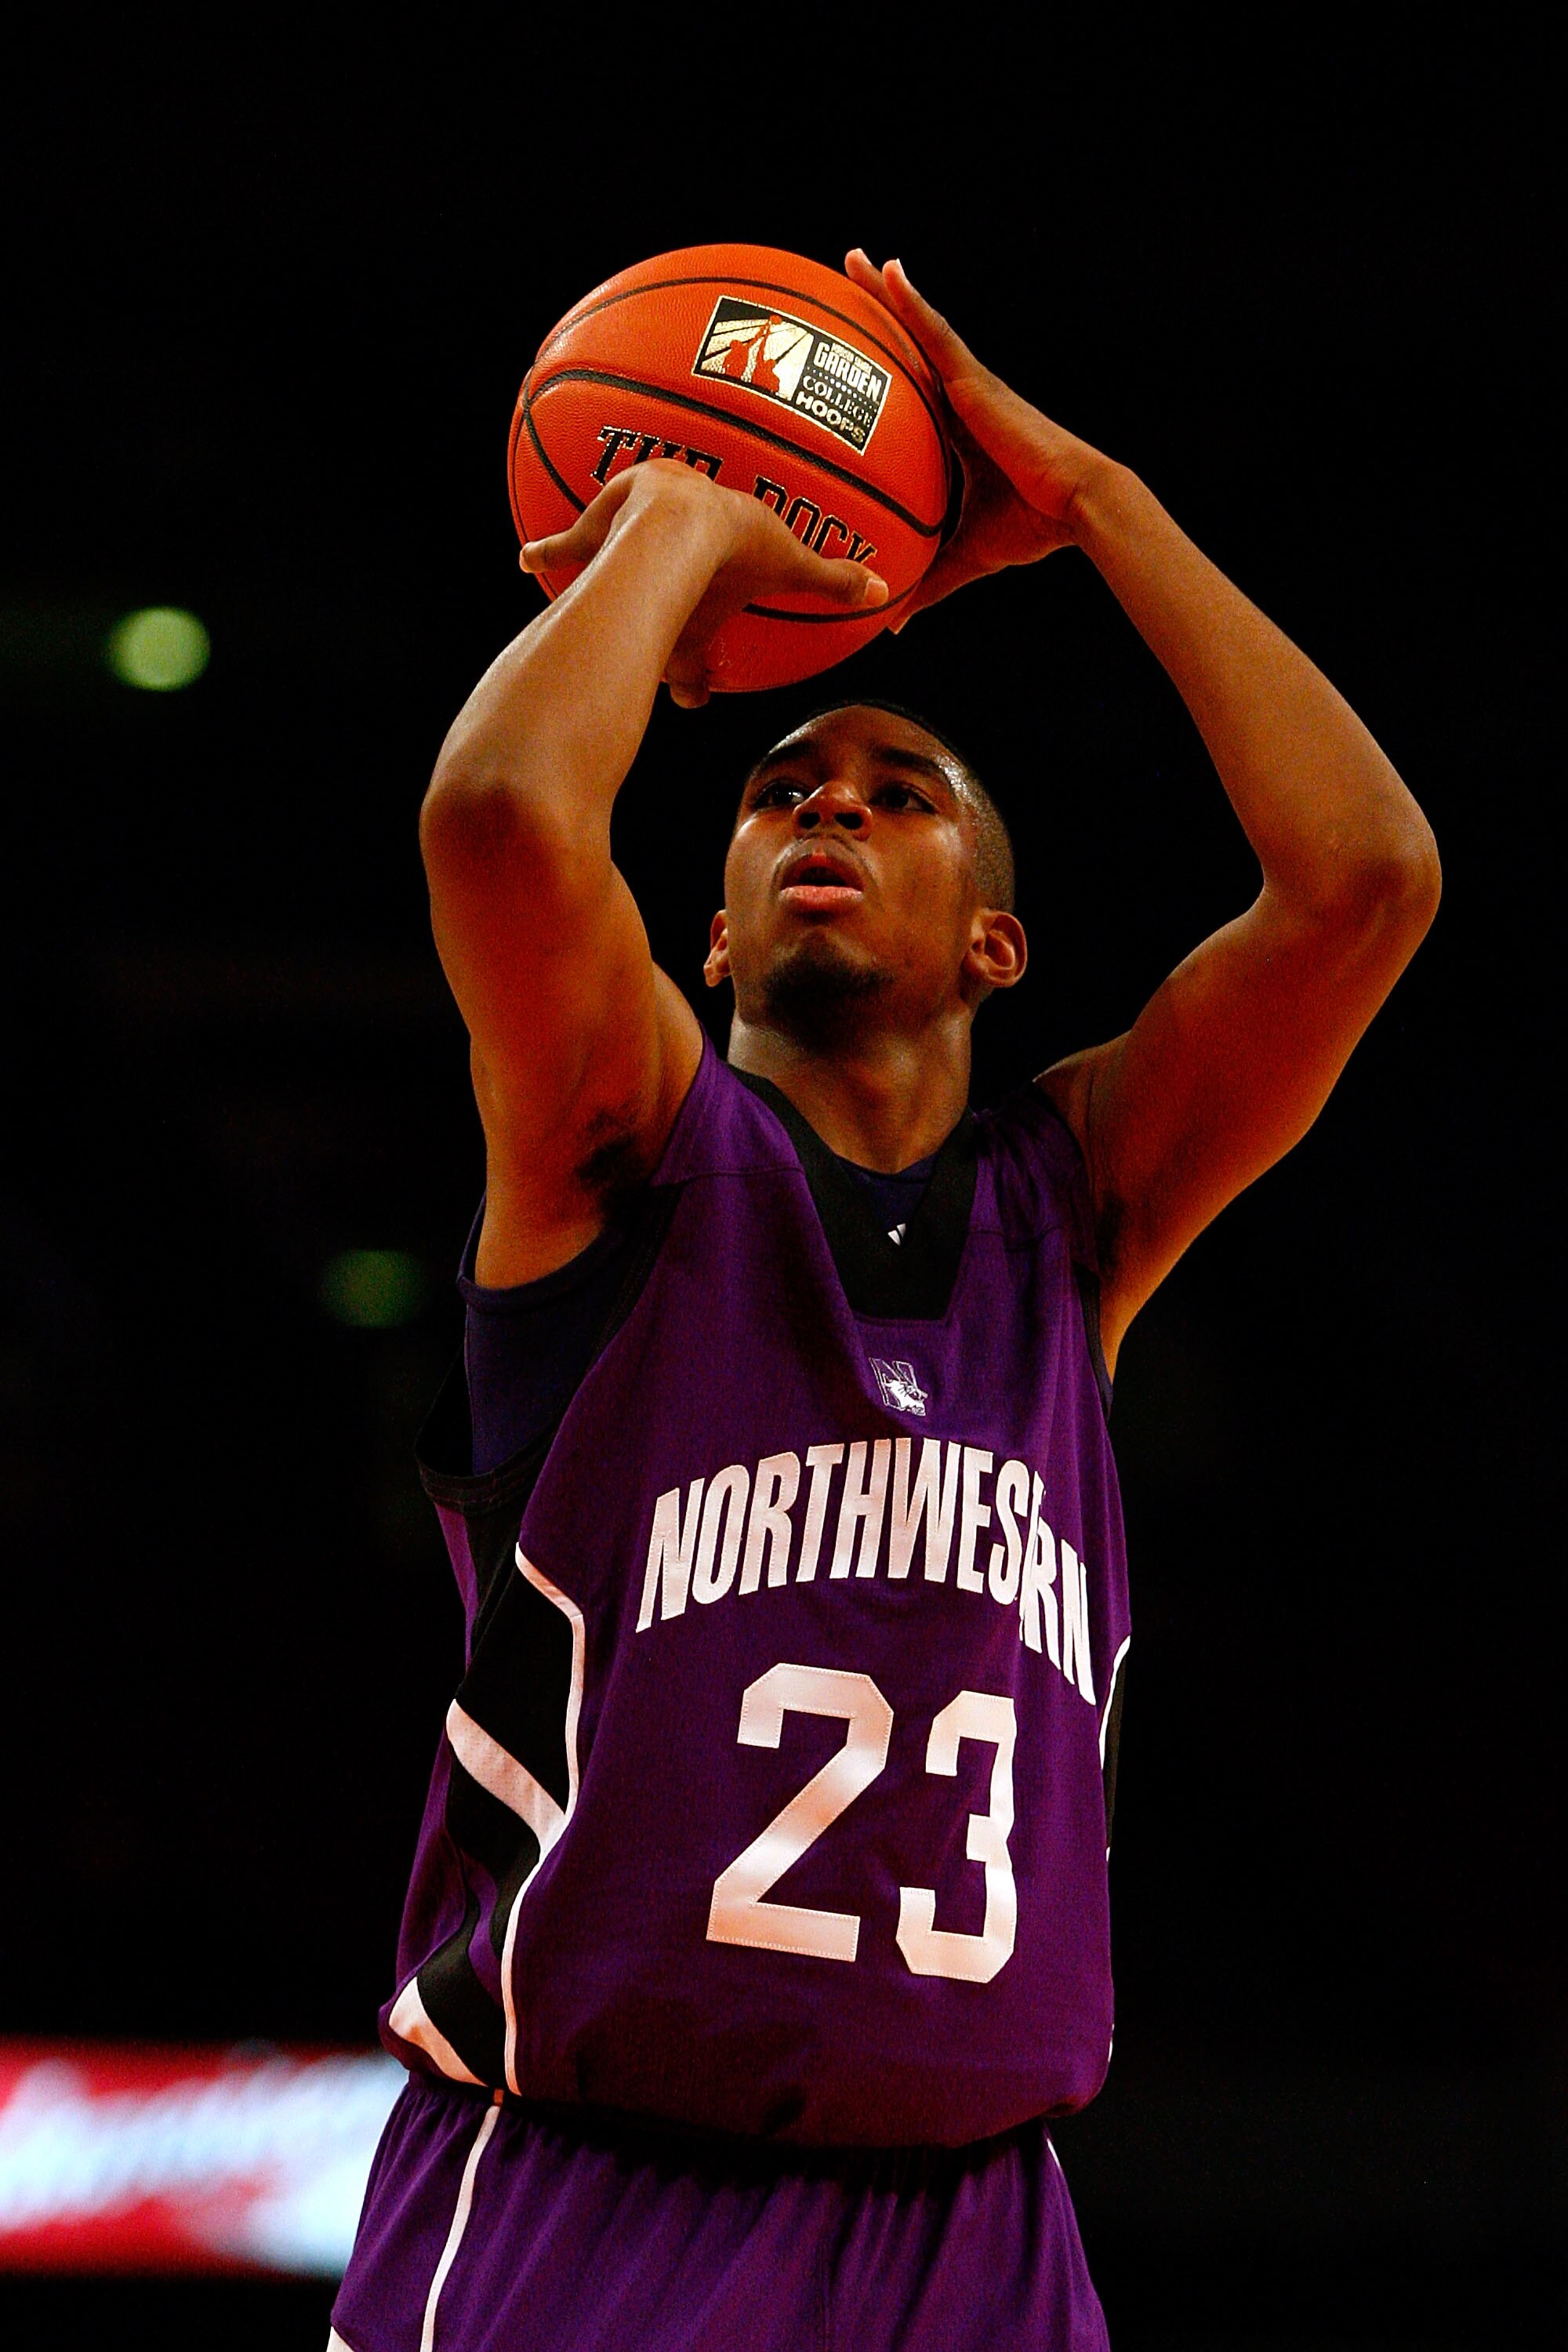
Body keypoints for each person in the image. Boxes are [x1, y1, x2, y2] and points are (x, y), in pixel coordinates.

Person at [328, 252, 1439, 2352]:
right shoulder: (624, 1159)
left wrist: (1098, 496)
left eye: (898, 792)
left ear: (1002, 949)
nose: (826, 799)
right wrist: (684, 513)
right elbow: (498, 812)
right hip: (585, 2205)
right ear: (717, 945)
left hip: (978, 2236)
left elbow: (1367, 880)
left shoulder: (1079, 1213)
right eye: (774, 795)